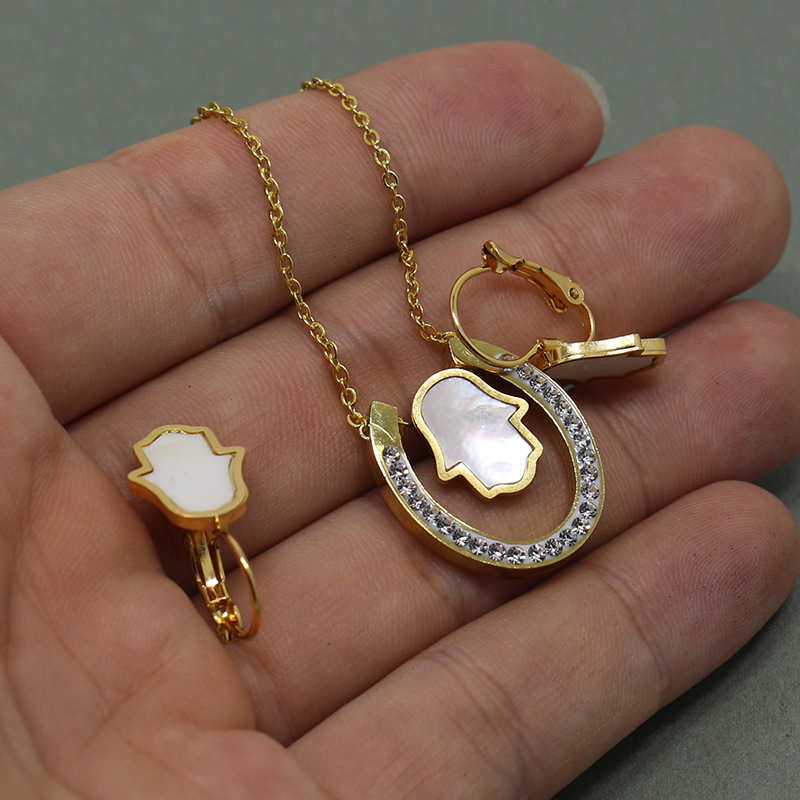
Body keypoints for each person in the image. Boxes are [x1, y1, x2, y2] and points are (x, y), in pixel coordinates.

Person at [0, 41, 797, 799]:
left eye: (506, 424)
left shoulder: (467, 398)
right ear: (452, 461)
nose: (511, 444)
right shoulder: (435, 427)